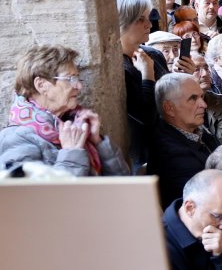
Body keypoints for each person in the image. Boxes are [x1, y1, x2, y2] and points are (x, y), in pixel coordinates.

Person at [0, 45, 128, 175]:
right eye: (70, 79)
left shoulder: (74, 123)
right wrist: (72, 153)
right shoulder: (16, 139)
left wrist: (99, 142)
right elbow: (29, 193)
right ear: (41, 85)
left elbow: (123, 182)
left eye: (77, 78)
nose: (79, 86)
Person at [151, 73, 219, 207]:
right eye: (193, 98)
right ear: (169, 108)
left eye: (201, 96)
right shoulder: (172, 154)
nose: (203, 104)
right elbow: (206, 201)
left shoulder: (197, 130)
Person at [119, 0, 158, 167]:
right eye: (140, 20)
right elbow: (146, 117)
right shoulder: (120, 69)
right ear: (122, 23)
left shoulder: (150, 55)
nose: (149, 24)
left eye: (147, 18)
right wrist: (148, 75)